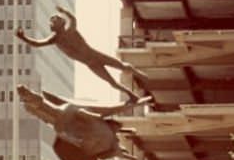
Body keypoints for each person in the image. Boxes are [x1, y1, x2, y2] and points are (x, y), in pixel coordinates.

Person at [16, 6, 149, 103]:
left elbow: (73, 19)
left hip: (96, 56)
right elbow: (37, 44)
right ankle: (131, 95)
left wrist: (64, 12)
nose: (52, 21)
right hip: (90, 64)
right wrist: (23, 38)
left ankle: (140, 75)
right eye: (51, 20)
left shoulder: (71, 30)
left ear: (61, 23)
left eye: (55, 19)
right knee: (112, 82)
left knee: (121, 66)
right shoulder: (54, 39)